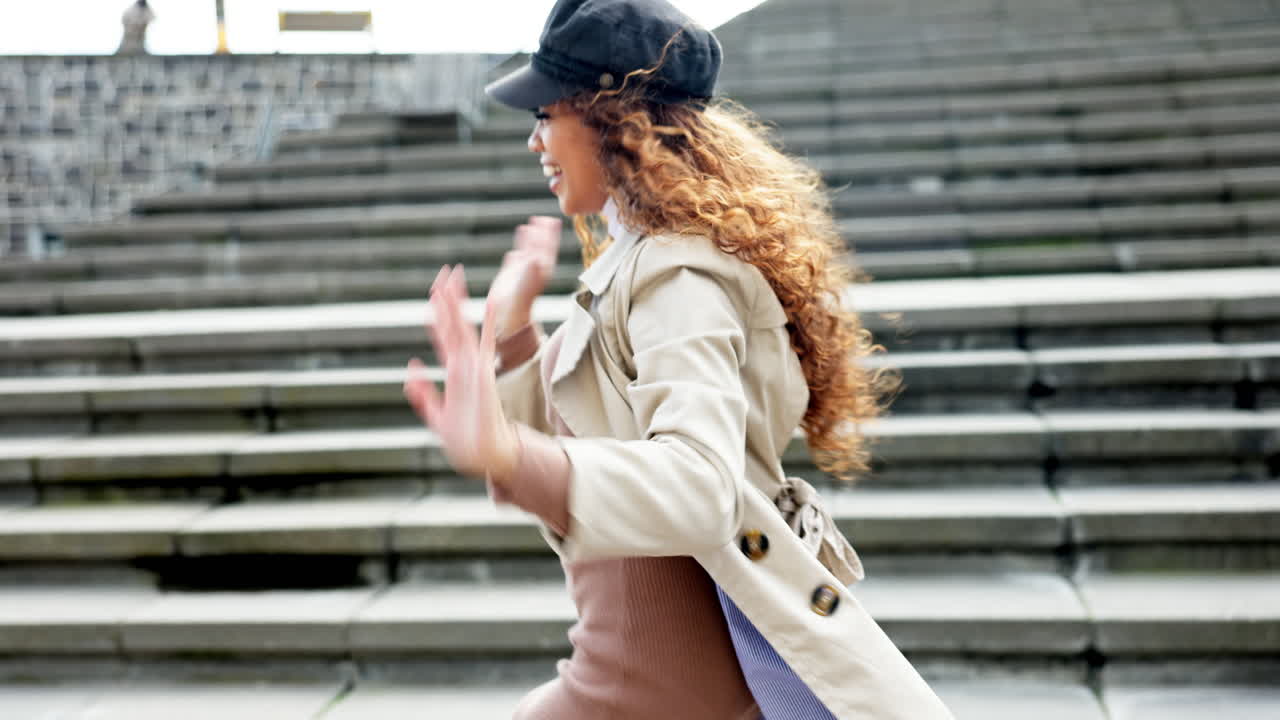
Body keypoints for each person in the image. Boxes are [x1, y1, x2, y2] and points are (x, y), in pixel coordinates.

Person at [403, 0, 956, 717]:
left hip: (649, 694)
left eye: (547, 113)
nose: (534, 141)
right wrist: (511, 336)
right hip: (627, 682)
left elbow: (699, 484)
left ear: (612, 119)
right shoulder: (640, 258)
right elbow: (593, 438)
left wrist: (508, 455)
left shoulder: (679, 273)